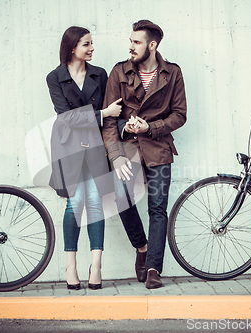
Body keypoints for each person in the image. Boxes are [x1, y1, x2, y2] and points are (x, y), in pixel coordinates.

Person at [102, 20, 187, 289]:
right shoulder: (119, 72)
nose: (131, 47)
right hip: (127, 148)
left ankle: (153, 268)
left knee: (157, 208)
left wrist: (151, 126)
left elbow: (180, 114)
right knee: (120, 197)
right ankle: (142, 247)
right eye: (130, 41)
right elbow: (108, 120)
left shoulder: (172, 73)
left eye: (136, 42)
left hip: (158, 147)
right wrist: (115, 154)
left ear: (152, 45)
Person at [46, 26, 122, 290]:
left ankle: (96, 265)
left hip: (95, 145)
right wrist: (103, 113)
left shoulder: (99, 74)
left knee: (95, 202)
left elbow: (110, 114)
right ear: (72, 47)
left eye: (91, 43)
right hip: (68, 147)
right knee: (75, 203)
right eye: (86, 44)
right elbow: (65, 117)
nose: (91, 48)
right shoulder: (55, 77)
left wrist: (107, 121)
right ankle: (70, 266)